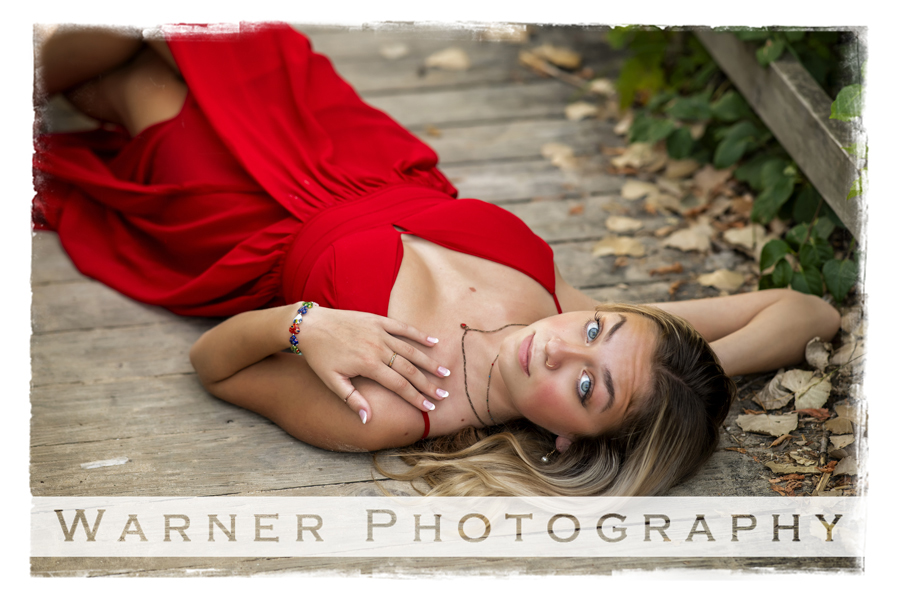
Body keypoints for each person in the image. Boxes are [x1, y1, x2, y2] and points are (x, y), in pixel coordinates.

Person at [33, 23, 842, 496]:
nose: (564, 347)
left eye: (585, 388)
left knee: (129, 62)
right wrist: (670, 379)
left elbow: (215, 365)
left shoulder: (397, 407)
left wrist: (306, 327)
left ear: (571, 444)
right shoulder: (567, 317)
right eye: (597, 330)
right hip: (356, 150)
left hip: (246, 211)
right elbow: (810, 312)